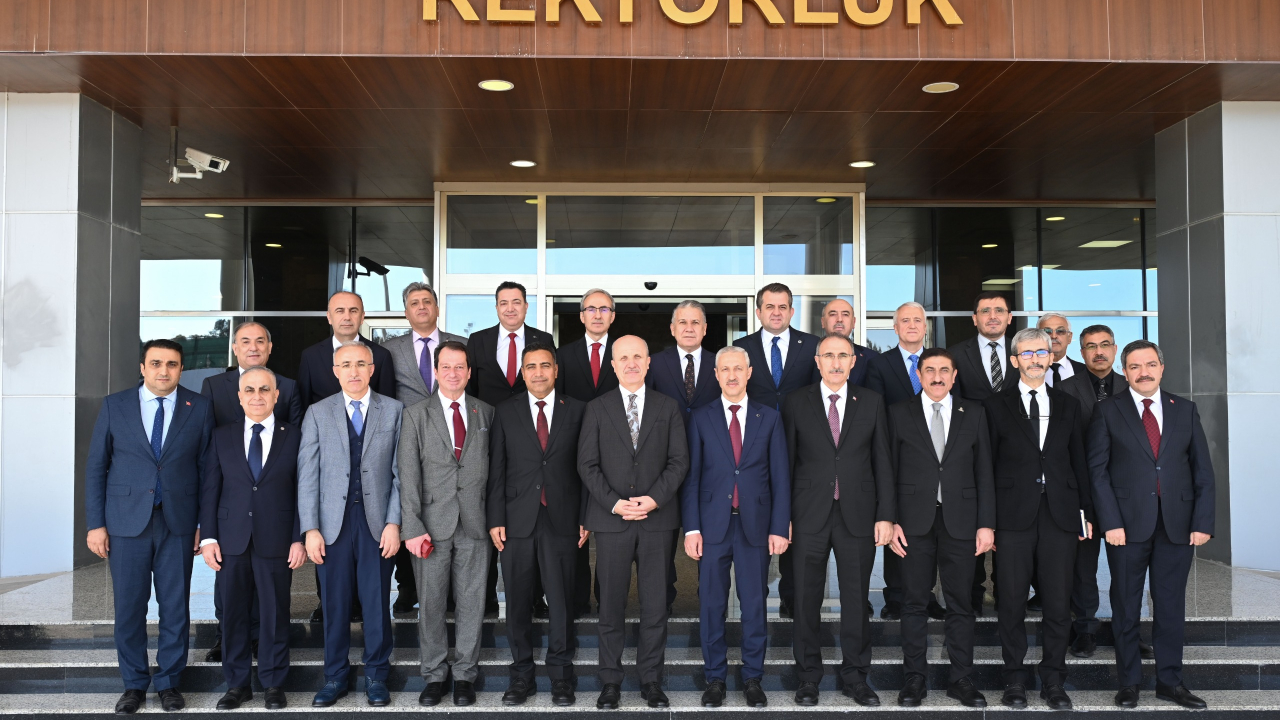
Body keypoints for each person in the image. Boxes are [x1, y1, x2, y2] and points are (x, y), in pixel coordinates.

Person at [84, 339, 215, 714]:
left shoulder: (199, 407)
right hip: (126, 523)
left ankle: (170, 682)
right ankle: (134, 684)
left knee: (175, 608)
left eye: (172, 364)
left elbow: (208, 472)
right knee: (129, 608)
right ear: (142, 367)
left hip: (179, 522)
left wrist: (204, 525)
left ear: (181, 369)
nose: (163, 370)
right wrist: (96, 524)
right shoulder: (116, 405)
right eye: (156, 363)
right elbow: (96, 467)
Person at [1089, 340, 1214, 710]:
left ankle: (1170, 683)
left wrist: (1202, 521)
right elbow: (1098, 473)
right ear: (1124, 371)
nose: (1143, 372)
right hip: (1125, 528)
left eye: (1149, 365)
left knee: (1171, 607)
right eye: (1134, 366)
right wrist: (1110, 522)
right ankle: (1129, 683)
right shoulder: (1107, 410)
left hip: (1177, 525)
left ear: (1161, 367)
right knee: (1126, 607)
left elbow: (1202, 471)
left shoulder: (1185, 409)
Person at [578, 335, 690, 710]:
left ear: (648, 362)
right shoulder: (596, 408)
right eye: (623, 358)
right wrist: (615, 504)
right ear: (613, 365)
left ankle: (651, 681)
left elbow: (679, 461)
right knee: (610, 606)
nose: (631, 363)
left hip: (657, 520)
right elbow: (587, 465)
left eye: (637, 356)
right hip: (613, 522)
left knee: (655, 607)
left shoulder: (668, 407)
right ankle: (610, 682)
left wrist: (653, 499)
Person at [984, 328, 1092, 711]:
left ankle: (1053, 681)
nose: (1035, 359)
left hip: (1060, 515)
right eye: (1027, 353)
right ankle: (1014, 679)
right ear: (1015, 361)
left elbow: (1078, 462)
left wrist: (1085, 515)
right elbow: (986, 467)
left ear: (1051, 358)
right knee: (1011, 601)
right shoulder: (994, 406)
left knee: (1059, 603)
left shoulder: (1068, 404)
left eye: (1041, 352)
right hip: (1012, 516)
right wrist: (987, 521)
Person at [786, 333, 894, 708]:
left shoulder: (872, 402)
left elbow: (883, 462)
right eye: (828, 355)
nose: (835, 362)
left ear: (853, 361)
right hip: (807, 515)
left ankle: (856, 678)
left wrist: (886, 515)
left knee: (856, 600)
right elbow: (785, 464)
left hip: (858, 515)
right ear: (817, 362)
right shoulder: (796, 401)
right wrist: (782, 518)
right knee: (805, 600)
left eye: (842, 355)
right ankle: (808, 678)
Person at [680, 346, 790, 709]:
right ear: (715, 374)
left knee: (754, 604)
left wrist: (779, 527)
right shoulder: (701, 417)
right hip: (712, 526)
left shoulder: (769, 417)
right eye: (724, 369)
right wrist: (691, 528)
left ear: (749, 372)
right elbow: (692, 478)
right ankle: (715, 678)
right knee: (712, 604)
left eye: (737, 369)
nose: (731, 375)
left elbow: (780, 477)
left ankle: (752, 678)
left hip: (755, 526)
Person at [298, 341, 404, 708]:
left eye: (361, 364)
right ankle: (335, 676)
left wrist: (394, 522)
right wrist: (310, 529)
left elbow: (401, 474)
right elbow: (307, 475)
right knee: (334, 604)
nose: (354, 371)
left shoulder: (394, 410)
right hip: (332, 525)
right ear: (335, 371)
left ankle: (377, 674)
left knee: (376, 602)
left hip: (377, 523)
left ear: (372, 369)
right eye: (346, 364)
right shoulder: (317, 412)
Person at [887, 348, 994, 708]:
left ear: (954, 376)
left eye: (944, 370)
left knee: (961, 603)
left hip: (962, 522)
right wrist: (890, 519)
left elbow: (985, 472)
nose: (937, 377)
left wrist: (986, 524)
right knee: (914, 602)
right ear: (918, 375)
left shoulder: (974, 412)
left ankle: (961, 679)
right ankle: (914, 679)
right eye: (929, 370)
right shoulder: (898, 412)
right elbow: (888, 470)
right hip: (912, 522)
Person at [198, 367, 306, 711]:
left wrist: (299, 538)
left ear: (276, 395)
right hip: (230, 540)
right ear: (239, 396)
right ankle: (237, 685)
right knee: (233, 614)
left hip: (278, 539)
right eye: (250, 390)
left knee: (275, 613)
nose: (257, 396)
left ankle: (273, 683)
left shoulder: (296, 435)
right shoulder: (221, 436)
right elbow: (210, 489)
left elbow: (303, 490)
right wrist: (208, 537)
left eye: (264, 389)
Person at [488, 343, 588, 707]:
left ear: (556, 371)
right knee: (516, 602)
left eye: (545, 365)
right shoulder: (505, 411)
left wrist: (585, 517)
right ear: (523, 372)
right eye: (531, 366)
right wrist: (495, 519)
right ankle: (521, 677)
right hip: (516, 520)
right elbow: (497, 469)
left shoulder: (577, 410)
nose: (539, 372)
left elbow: (587, 467)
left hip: (563, 518)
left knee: (560, 601)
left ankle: (561, 677)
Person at [397, 340, 494, 707]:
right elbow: (408, 476)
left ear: (469, 373)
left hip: (475, 524)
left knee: (472, 603)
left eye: (460, 367)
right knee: (431, 603)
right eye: (446, 367)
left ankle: (465, 674)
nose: (453, 373)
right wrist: (411, 527)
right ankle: (434, 675)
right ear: (436, 372)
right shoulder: (415, 415)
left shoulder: (486, 413)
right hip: (430, 526)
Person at [466, 280, 555, 614]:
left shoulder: (543, 340)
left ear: (526, 306)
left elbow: (546, 384)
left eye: (516, 302)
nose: (510, 308)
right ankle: (488, 597)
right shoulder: (478, 341)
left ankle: (534, 596)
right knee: (490, 514)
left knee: (531, 518)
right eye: (503, 302)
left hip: (531, 441)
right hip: (487, 437)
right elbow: (472, 391)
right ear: (496, 308)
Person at [733, 283, 820, 618]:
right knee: (757, 523)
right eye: (769, 306)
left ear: (792, 311)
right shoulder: (741, 348)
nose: (776, 312)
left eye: (782, 306)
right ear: (758, 311)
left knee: (794, 521)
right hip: (754, 451)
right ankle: (755, 598)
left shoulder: (811, 346)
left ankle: (791, 598)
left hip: (802, 449)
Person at [382, 282, 464, 615]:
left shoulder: (460, 345)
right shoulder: (389, 349)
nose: (421, 307)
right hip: (409, 436)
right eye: (414, 302)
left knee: (449, 510)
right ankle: (407, 587)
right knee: (410, 504)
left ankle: (452, 591)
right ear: (406, 311)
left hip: (453, 440)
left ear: (437, 308)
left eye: (427, 301)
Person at [1063, 323, 1135, 659]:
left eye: (1105, 344)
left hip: (1125, 497)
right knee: (1083, 569)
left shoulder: (1131, 387)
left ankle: (1127, 634)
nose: (1099, 351)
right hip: (1083, 495)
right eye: (1091, 346)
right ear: (1082, 353)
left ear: (1115, 349)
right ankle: (1085, 631)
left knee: (1127, 570)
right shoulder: (1064, 390)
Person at [865, 301, 939, 620]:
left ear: (925, 327)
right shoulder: (880, 365)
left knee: (930, 529)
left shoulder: (939, 363)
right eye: (905, 320)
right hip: (896, 456)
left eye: (917, 320)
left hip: (935, 458)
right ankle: (895, 596)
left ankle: (927, 595)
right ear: (895, 328)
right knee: (897, 523)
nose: (911, 325)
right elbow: (876, 412)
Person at [648, 299, 719, 614]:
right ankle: (664, 596)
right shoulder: (654, 363)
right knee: (663, 537)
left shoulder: (720, 363)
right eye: (683, 322)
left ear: (705, 329)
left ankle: (710, 599)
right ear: (672, 328)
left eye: (695, 323)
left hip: (710, 465)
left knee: (709, 535)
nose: (689, 328)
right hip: (663, 464)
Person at [948, 292, 1018, 615]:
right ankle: (973, 599)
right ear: (974, 318)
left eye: (999, 310)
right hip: (970, 455)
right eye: (985, 311)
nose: (992, 316)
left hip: (1014, 456)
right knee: (971, 525)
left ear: (1009, 318)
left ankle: (1008, 595)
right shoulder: (955, 355)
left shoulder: (1023, 352)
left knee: (1011, 529)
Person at [555, 289, 619, 617]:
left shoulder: (624, 354)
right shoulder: (563, 356)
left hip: (617, 455)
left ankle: (607, 599)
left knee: (610, 532)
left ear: (612, 316)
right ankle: (578, 600)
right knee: (575, 531)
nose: (597, 314)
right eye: (591, 309)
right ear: (581, 316)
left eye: (604, 309)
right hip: (573, 453)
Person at [296, 290, 397, 411]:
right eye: (340, 311)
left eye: (353, 311)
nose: (347, 317)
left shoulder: (381, 355)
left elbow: (388, 408)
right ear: (329, 317)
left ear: (362, 317)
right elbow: (304, 407)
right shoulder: (310, 357)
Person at [1037, 314, 1096, 416]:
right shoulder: (1025, 371)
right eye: (1047, 331)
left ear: (1070, 337)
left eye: (1060, 331)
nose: (1053, 336)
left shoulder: (1086, 371)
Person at [820, 298, 880, 387]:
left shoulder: (872, 359)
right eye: (833, 314)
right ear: (823, 322)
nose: (839, 319)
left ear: (853, 322)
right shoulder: (807, 355)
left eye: (845, 314)